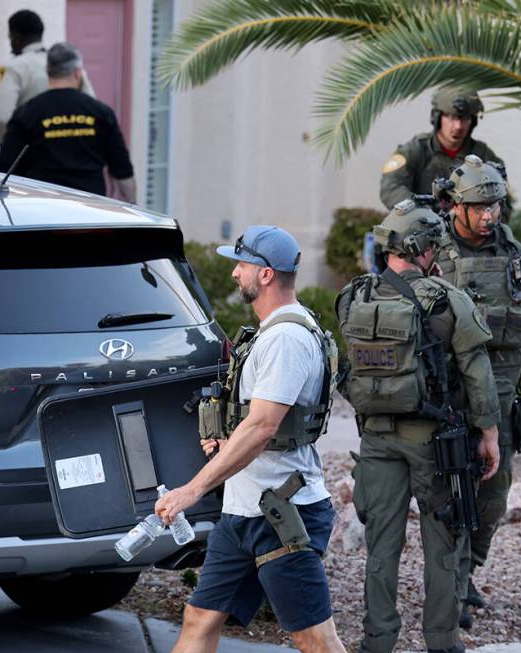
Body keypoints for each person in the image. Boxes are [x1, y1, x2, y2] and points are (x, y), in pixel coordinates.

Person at [155, 225, 347, 653]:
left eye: (241, 264)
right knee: (199, 619)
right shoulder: (273, 332)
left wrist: (192, 489)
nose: (234, 273)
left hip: (281, 515)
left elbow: (262, 427)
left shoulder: (286, 339)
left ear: (265, 274)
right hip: (243, 510)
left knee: (315, 640)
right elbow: (253, 423)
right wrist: (227, 441)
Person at [336, 200, 501, 653]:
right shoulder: (447, 300)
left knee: (381, 547)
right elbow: (477, 372)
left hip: (375, 440)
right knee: (443, 545)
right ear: (423, 248)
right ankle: (442, 642)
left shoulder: (355, 296)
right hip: (434, 443)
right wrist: (488, 434)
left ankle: (378, 640)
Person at [433, 155, 521, 627]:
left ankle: (466, 572)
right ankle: (448, 591)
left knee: (492, 500)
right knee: (449, 495)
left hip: (504, 400)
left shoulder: (519, 261)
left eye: (496, 204)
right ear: (456, 207)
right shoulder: (433, 255)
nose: (491, 214)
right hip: (448, 402)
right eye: (480, 206)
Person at [0, 42, 136, 201]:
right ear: (77, 73)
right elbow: (123, 171)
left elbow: (4, 167)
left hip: (42, 209)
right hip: (91, 210)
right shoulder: (101, 113)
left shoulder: (27, 113)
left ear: (48, 71)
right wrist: (133, 208)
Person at [0, 9, 95, 159]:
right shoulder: (66, 64)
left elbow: (2, 116)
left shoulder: (14, 68)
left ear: (17, 37)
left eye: (10, 37)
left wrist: (0, 144)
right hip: (72, 149)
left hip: (31, 151)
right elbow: (91, 102)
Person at [380, 88, 503, 209]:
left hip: (468, 225)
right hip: (421, 223)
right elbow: (390, 188)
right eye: (451, 117)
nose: (458, 126)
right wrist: (422, 212)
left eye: (465, 118)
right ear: (437, 117)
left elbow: (503, 200)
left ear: (473, 121)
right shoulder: (416, 150)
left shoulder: (483, 156)